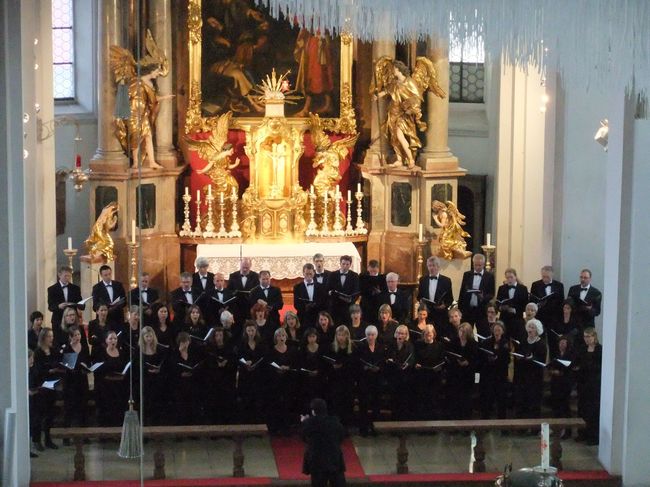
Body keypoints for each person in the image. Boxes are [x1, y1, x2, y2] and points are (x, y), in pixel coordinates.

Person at [301, 397, 347, 487]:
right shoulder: (335, 421)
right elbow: (341, 436)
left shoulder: (309, 423)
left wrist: (304, 422)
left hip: (316, 461)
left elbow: (303, 437)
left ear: (313, 411)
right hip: (334, 459)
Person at [33, 328, 62, 449]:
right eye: (49, 336)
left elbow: (58, 362)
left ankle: (48, 439)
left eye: (52, 336)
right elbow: (37, 370)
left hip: (52, 386)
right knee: (39, 415)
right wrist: (49, 370)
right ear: (43, 338)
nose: (52, 338)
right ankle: (37, 440)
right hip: (41, 386)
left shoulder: (53, 351)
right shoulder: (38, 352)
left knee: (50, 414)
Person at [92, 330, 129, 426]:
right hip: (106, 387)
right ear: (106, 340)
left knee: (119, 410)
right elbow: (99, 370)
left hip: (119, 387)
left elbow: (125, 367)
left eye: (115, 338)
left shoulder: (121, 352)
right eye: (111, 338)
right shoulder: (101, 353)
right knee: (106, 410)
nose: (113, 340)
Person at [59, 326, 90, 436]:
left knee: (83, 407)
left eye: (79, 335)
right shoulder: (67, 348)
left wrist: (86, 366)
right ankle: (66, 435)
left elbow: (88, 360)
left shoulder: (84, 347)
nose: (78, 337)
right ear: (70, 337)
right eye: (75, 335)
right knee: (69, 408)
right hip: (71, 382)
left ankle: (85, 435)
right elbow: (66, 366)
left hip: (82, 379)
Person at [513, 319, 547, 421]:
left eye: (533, 327)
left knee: (533, 401)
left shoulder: (541, 343)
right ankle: (521, 428)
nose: (530, 329)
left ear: (537, 330)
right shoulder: (523, 341)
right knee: (521, 401)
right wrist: (518, 357)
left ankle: (534, 428)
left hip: (534, 377)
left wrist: (533, 358)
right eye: (529, 327)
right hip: (522, 376)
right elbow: (519, 355)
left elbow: (542, 360)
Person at [266, 327, 298, 434]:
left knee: (287, 403)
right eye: (279, 336)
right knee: (276, 403)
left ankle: (286, 427)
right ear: (276, 338)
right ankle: (276, 426)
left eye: (283, 335)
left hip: (288, 380)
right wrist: (277, 369)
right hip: (275, 380)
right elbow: (268, 364)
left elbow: (295, 365)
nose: (281, 338)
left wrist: (287, 368)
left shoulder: (292, 350)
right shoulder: (271, 350)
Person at [573, 327, 602, 445]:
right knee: (582, 409)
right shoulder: (582, 349)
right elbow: (577, 363)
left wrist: (584, 367)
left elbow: (599, 366)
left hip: (594, 383)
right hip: (583, 383)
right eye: (585, 336)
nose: (587, 339)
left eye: (589, 336)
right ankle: (582, 434)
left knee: (593, 411)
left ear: (594, 337)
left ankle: (593, 436)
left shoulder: (599, 349)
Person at [444, 322, 478, 420]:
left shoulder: (473, 343)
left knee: (466, 400)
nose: (461, 333)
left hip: (467, 375)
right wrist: (456, 361)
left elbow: (476, 359)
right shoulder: (454, 342)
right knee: (455, 398)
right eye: (460, 331)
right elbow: (449, 355)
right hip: (455, 374)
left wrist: (468, 362)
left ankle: (465, 423)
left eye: (464, 332)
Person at [236, 320, 268, 423]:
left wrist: (253, 362)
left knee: (257, 400)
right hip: (245, 374)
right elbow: (238, 357)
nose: (251, 333)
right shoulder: (241, 343)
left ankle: (257, 423)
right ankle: (246, 424)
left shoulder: (261, 342)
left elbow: (263, 357)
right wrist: (246, 363)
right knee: (246, 400)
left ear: (256, 331)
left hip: (258, 374)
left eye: (252, 330)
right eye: (249, 330)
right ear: (246, 331)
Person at [478, 321, 510, 419]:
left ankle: (502, 423)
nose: (497, 332)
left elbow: (508, 360)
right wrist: (489, 359)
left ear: (503, 331)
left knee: (501, 400)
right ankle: (485, 422)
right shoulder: (486, 342)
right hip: (489, 374)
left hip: (501, 375)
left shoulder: (506, 343)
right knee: (488, 399)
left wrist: (498, 358)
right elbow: (482, 356)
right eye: (495, 330)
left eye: (499, 330)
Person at [170, 332, 205, 425]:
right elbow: (172, 368)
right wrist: (181, 374)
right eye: (183, 342)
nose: (185, 344)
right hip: (179, 384)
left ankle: (193, 429)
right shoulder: (175, 353)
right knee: (181, 407)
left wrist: (193, 371)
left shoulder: (193, 352)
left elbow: (198, 365)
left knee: (193, 406)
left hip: (192, 382)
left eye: (187, 342)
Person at [355, 325, 384, 435]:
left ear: (376, 336)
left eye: (372, 335)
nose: (370, 337)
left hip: (377, 379)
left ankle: (375, 428)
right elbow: (358, 362)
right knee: (364, 405)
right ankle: (363, 429)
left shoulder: (380, 347)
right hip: (365, 379)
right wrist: (365, 367)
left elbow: (383, 361)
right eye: (368, 335)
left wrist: (379, 368)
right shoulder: (361, 348)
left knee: (376, 404)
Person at [137, 326, 169, 425]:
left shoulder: (159, 349)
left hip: (156, 380)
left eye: (151, 336)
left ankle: (156, 427)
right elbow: (136, 365)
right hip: (144, 380)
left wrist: (158, 369)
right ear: (142, 337)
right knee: (145, 405)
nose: (149, 339)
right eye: (147, 336)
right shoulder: (139, 349)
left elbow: (163, 363)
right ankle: (144, 428)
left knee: (156, 404)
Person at [205, 326, 236, 424]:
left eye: (220, 335)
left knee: (227, 404)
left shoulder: (229, 348)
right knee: (215, 404)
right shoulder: (210, 349)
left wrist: (226, 362)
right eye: (217, 335)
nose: (219, 337)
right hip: (214, 381)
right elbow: (207, 363)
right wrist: (216, 364)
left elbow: (234, 362)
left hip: (227, 380)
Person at [325, 325, 355, 427]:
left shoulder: (353, 347)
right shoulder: (332, 347)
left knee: (347, 404)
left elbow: (355, 364)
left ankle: (346, 426)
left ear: (347, 335)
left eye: (343, 335)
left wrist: (344, 365)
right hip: (335, 380)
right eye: (339, 335)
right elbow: (327, 363)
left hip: (348, 380)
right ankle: (336, 426)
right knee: (336, 404)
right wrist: (333, 366)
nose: (341, 337)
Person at [413, 324, 445, 420]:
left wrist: (439, 367)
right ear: (423, 334)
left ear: (434, 334)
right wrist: (416, 364)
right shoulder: (418, 344)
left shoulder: (439, 345)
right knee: (422, 399)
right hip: (421, 375)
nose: (428, 336)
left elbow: (442, 359)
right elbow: (414, 357)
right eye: (426, 334)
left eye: (430, 334)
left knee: (433, 399)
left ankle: (432, 423)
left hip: (434, 377)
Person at [47, 266, 84, 345]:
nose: (68, 278)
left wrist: (82, 304)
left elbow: (80, 304)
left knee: (74, 341)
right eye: (65, 276)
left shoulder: (75, 288)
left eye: (69, 276)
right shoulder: (52, 289)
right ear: (59, 275)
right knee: (60, 343)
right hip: (59, 320)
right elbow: (50, 306)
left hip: (72, 320)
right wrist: (58, 306)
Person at [385, 324, 415, 420]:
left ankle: (403, 421)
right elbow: (387, 357)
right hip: (394, 375)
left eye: (402, 333)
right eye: (398, 333)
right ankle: (394, 420)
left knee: (404, 399)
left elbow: (412, 358)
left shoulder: (409, 345)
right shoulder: (391, 344)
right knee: (394, 399)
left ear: (406, 335)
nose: (400, 335)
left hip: (405, 376)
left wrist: (409, 364)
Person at [548, 335, 575, 438]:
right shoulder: (556, 354)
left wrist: (560, 372)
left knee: (565, 407)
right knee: (556, 407)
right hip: (555, 383)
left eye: (564, 343)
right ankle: (557, 429)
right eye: (560, 343)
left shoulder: (570, 355)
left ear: (567, 344)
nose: (562, 344)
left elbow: (570, 368)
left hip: (565, 383)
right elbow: (551, 365)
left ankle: (567, 431)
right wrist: (551, 370)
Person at [417, 256, 454, 330]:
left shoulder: (446, 281)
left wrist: (444, 305)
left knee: (439, 334)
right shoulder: (423, 280)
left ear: (438, 267)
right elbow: (419, 296)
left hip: (440, 314)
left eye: (433, 265)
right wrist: (421, 302)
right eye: (429, 266)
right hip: (426, 314)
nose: (431, 268)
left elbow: (450, 299)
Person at [458, 254, 495, 326]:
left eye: (480, 265)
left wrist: (483, 297)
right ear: (473, 263)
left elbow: (491, 293)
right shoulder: (467, 274)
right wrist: (460, 309)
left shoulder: (489, 276)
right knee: (466, 332)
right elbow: (462, 292)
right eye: (475, 265)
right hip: (468, 309)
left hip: (482, 310)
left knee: (483, 333)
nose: (477, 267)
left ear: (484, 264)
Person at [495, 268, 529, 341]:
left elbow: (525, 304)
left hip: (517, 319)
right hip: (504, 318)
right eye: (507, 278)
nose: (509, 280)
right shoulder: (501, 288)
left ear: (515, 277)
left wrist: (515, 310)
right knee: (504, 340)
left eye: (511, 277)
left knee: (516, 340)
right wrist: (501, 308)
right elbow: (498, 302)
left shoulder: (523, 288)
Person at [529, 265, 565, 332]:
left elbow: (561, 302)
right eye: (543, 277)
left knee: (552, 338)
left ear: (552, 275)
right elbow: (532, 301)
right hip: (540, 316)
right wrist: (538, 304)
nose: (545, 279)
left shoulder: (559, 285)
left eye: (547, 277)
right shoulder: (535, 285)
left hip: (554, 317)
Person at [326, 255, 360, 326]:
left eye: (347, 264)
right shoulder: (332, 275)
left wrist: (351, 300)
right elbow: (328, 289)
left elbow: (356, 291)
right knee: (335, 326)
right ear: (340, 264)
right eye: (343, 264)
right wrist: (331, 294)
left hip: (348, 307)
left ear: (350, 265)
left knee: (348, 326)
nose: (345, 266)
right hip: (335, 307)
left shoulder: (354, 276)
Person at [227, 257, 260, 326]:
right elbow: (229, 291)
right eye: (243, 267)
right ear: (240, 265)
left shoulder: (256, 276)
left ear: (250, 266)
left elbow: (258, 291)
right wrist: (234, 293)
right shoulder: (233, 276)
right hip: (237, 306)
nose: (245, 269)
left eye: (247, 267)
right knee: (237, 327)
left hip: (250, 307)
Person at [294, 263, 327, 328]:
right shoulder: (297, 287)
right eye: (306, 274)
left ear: (314, 273)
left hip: (317, 317)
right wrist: (306, 307)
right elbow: (296, 304)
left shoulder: (320, 286)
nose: (308, 276)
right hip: (303, 317)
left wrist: (315, 306)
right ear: (303, 273)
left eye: (310, 274)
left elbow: (323, 302)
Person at [299, 328, 324, 415]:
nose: (312, 339)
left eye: (313, 336)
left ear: (316, 337)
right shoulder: (303, 349)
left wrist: (318, 371)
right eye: (310, 337)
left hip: (319, 378)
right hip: (307, 378)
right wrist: (308, 372)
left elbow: (324, 363)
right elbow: (301, 363)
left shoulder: (321, 348)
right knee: (308, 397)